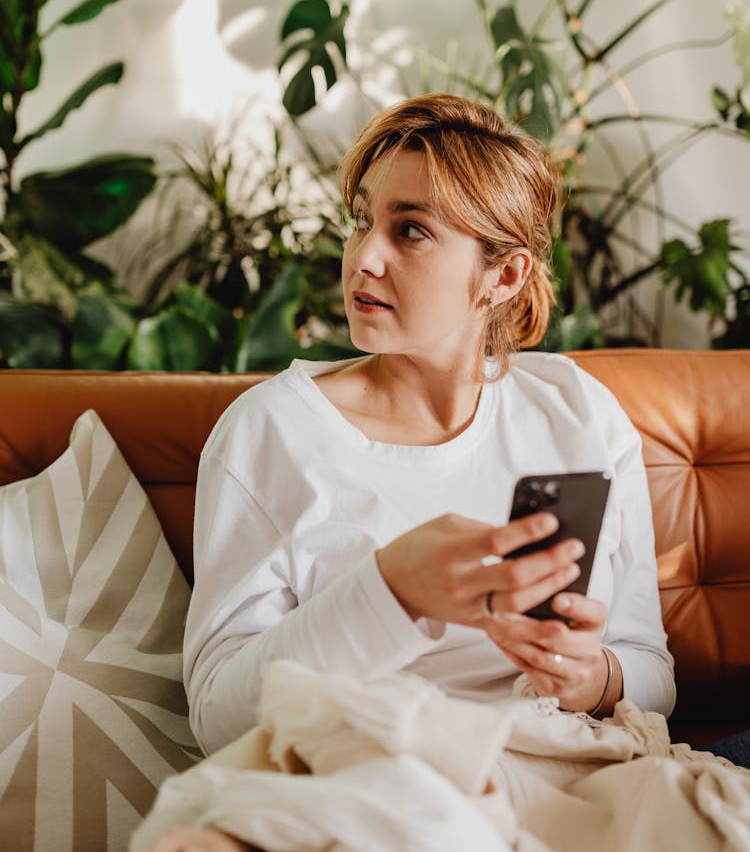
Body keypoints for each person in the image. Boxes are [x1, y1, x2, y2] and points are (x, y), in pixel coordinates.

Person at [183, 92, 676, 757]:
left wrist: (592, 679)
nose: (363, 257)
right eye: (361, 221)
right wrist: (392, 588)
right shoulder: (270, 432)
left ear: (503, 274)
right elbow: (218, 718)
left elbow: (651, 669)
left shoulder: (577, 412)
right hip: (370, 781)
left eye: (409, 229)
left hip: (565, 769)